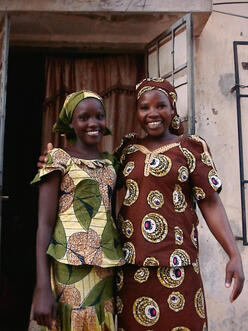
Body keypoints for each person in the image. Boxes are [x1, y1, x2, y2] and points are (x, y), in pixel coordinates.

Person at [38, 78, 244, 331]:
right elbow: (94, 178)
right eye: (144, 107)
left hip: (178, 267)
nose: (152, 114)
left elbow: (211, 203)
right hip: (131, 270)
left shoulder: (190, 148)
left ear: (173, 109)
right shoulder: (128, 150)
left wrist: (233, 254)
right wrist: (54, 164)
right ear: (137, 112)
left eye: (161, 106)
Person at [29, 90, 125, 331]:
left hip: (106, 268)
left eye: (99, 116)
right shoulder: (58, 159)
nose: (93, 123)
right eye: (84, 118)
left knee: (101, 323)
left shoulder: (112, 163)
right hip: (67, 266)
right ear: (70, 123)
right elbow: (44, 224)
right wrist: (42, 286)